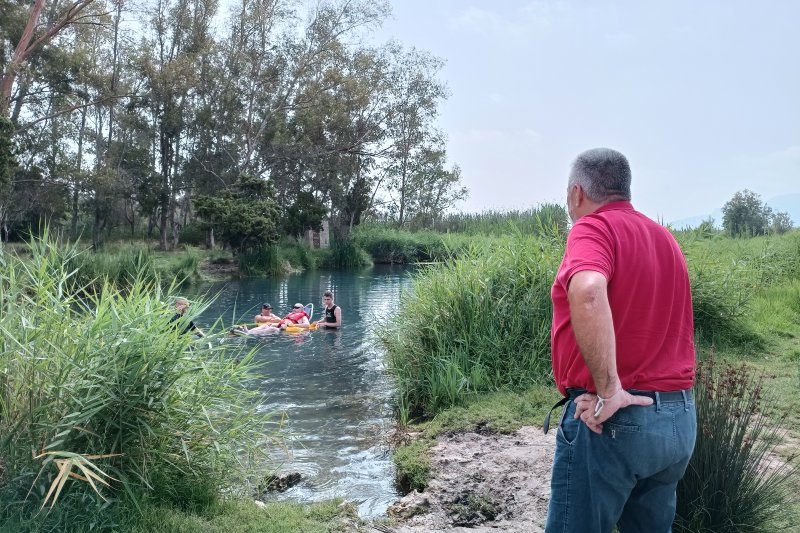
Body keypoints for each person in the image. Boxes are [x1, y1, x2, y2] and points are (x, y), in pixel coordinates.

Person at [545, 148, 696, 533]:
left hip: (615, 420)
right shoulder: (665, 239)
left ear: (577, 193)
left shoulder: (593, 227)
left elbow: (589, 291)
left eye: (567, 193)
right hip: (677, 421)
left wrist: (610, 389)